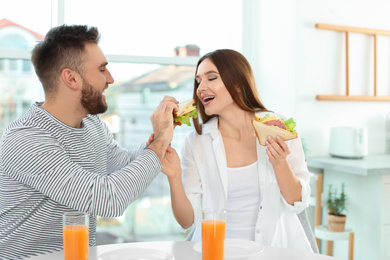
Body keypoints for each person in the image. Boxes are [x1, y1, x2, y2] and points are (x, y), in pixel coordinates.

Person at [0, 24, 178, 260]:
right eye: (102, 69)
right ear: (71, 78)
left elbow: (124, 165)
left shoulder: (93, 126)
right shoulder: (25, 139)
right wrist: (160, 142)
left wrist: (159, 135)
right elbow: (109, 199)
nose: (111, 79)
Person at [167, 49, 313, 252]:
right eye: (198, 81)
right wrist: (173, 177)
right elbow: (187, 220)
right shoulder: (196, 142)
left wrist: (280, 163)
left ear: (237, 83)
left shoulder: (278, 127)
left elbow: (298, 202)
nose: (201, 88)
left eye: (211, 78)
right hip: (215, 253)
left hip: (274, 251)